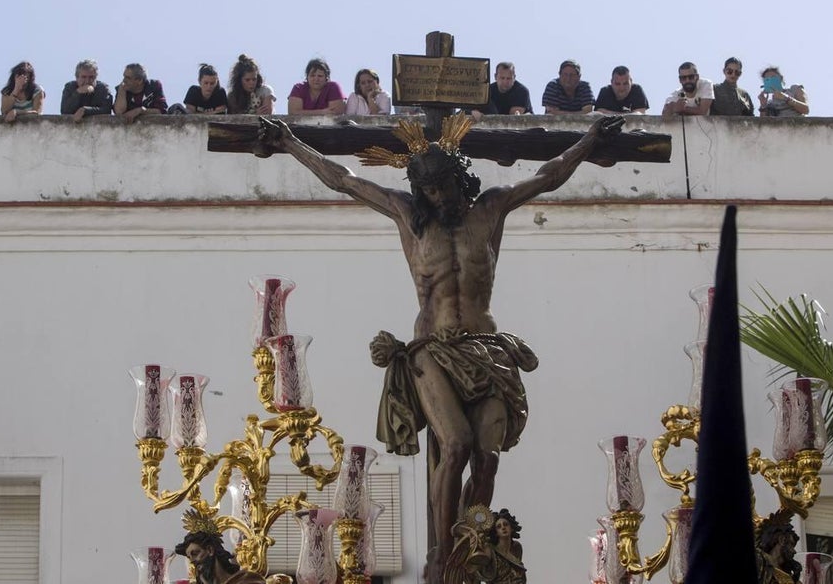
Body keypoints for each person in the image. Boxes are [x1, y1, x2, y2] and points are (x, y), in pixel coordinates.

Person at [256, 113, 624, 583]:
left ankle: (472, 544)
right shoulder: (408, 217)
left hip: (488, 349)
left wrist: (589, 141)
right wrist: (289, 142)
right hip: (431, 350)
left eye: (446, 186)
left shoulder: (491, 209)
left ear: (461, 178)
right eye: (429, 190)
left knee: (487, 460)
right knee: (456, 446)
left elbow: (546, 176)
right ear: (418, 189)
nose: (439, 197)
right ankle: (443, 553)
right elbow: (343, 179)